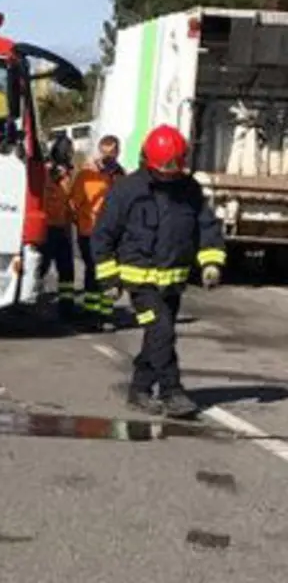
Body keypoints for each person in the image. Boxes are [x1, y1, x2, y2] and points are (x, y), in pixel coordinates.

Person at [90, 124, 225, 418]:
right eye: (164, 168)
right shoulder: (127, 190)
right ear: (149, 161)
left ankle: (139, 389)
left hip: (173, 283)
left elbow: (207, 227)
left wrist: (212, 262)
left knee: (157, 338)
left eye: (175, 167)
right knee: (162, 332)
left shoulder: (189, 189)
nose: (170, 174)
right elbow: (102, 235)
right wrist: (109, 279)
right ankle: (171, 391)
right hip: (140, 284)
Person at [70, 135, 125, 322]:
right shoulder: (86, 175)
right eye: (105, 152)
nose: (108, 156)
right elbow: (74, 204)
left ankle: (105, 312)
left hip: (112, 234)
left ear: (118, 153)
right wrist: (81, 222)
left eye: (112, 152)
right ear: (99, 152)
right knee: (94, 271)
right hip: (89, 231)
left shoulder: (121, 176)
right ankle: (92, 313)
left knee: (110, 273)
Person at [39, 135, 77, 319]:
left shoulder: (69, 172)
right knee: (42, 267)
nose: (70, 153)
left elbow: (70, 199)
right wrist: (54, 173)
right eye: (68, 150)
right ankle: (32, 302)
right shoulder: (46, 170)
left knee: (67, 270)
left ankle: (67, 306)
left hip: (63, 226)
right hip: (47, 226)